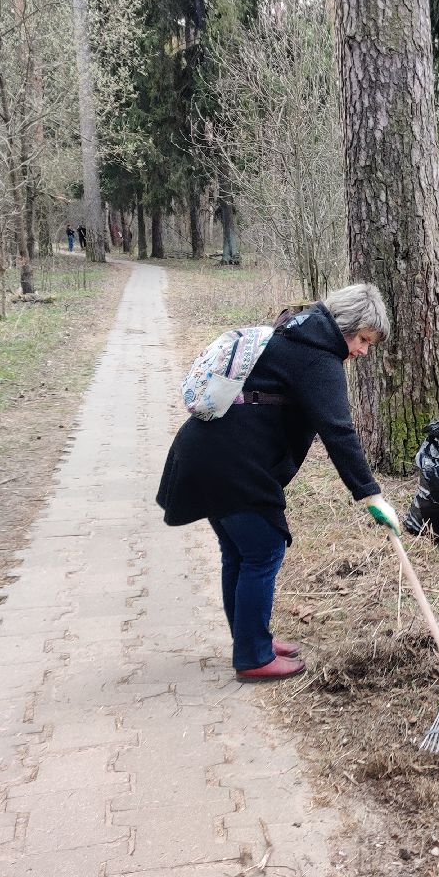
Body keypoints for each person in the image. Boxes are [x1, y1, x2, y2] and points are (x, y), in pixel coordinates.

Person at [156, 284, 403, 682]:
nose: (362, 351)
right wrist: (371, 495)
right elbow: (339, 432)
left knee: (240, 552)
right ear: (344, 327)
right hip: (232, 464)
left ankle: (249, 640)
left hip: (207, 454)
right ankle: (253, 657)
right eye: (362, 339)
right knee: (263, 549)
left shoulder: (294, 330)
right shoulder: (317, 357)